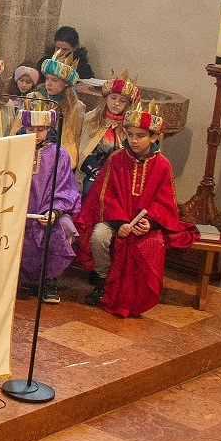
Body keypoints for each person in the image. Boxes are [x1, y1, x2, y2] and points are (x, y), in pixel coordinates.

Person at [74, 102, 196, 316]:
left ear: (154, 137)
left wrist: (150, 223)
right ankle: (102, 280)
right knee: (99, 236)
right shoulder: (116, 159)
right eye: (130, 135)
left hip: (144, 225)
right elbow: (104, 195)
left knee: (153, 245)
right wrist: (119, 223)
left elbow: (165, 202)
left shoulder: (162, 165)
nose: (134, 140)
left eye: (140, 136)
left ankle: (138, 293)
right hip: (115, 220)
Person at [18, 103, 80, 304]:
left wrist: (53, 211)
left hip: (48, 211)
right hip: (17, 210)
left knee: (60, 229)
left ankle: (49, 279)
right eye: (31, 129)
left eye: (41, 129)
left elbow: (64, 187)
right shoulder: (13, 149)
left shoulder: (60, 154)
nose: (35, 134)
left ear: (49, 129)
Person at [79, 71, 138, 192]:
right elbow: (85, 151)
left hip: (120, 172)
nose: (117, 103)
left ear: (128, 104)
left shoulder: (131, 125)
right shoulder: (92, 118)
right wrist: (96, 171)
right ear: (106, 98)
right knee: (90, 190)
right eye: (113, 98)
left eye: (122, 100)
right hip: (95, 168)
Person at [38, 50, 87, 168]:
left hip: (60, 157)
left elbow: (73, 139)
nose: (49, 83)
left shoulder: (76, 107)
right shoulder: (36, 99)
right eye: (47, 79)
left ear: (66, 83)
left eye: (54, 80)